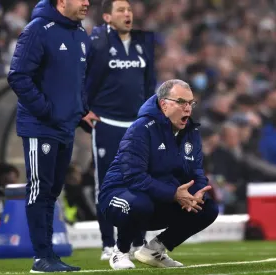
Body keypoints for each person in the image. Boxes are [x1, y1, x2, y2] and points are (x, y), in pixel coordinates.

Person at [98, 79, 219, 270]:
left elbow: (195, 170)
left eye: (190, 103)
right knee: (140, 203)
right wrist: (173, 194)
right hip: (118, 195)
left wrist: (197, 191)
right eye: (181, 102)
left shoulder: (191, 132)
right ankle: (120, 251)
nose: (187, 108)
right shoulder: (141, 128)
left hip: (157, 196)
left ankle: (154, 249)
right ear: (164, 104)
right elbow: (134, 177)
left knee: (206, 208)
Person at [7, 0, 90, 272]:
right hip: (40, 127)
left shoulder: (80, 35)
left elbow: (80, 81)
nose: (87, 2)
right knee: (39, 189)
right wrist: (46, 110)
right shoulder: (37, 29)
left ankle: (50, 256)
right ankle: (41, 257)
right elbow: (18, 76)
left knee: (53, 191)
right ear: (62, 2)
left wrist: (80, 110)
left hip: (65, 127)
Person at [81, 0, 156, 260]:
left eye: (129, 10)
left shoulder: (142, 44)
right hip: (107, 123)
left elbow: (150, 85)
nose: (127, 14)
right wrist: (84, 108)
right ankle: (107, 244)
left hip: (137, 125)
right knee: (107, 185)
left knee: (141, 183)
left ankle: (137, 242)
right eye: (121, 10)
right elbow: (84, 79)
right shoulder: (98, 44)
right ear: (107, 17)